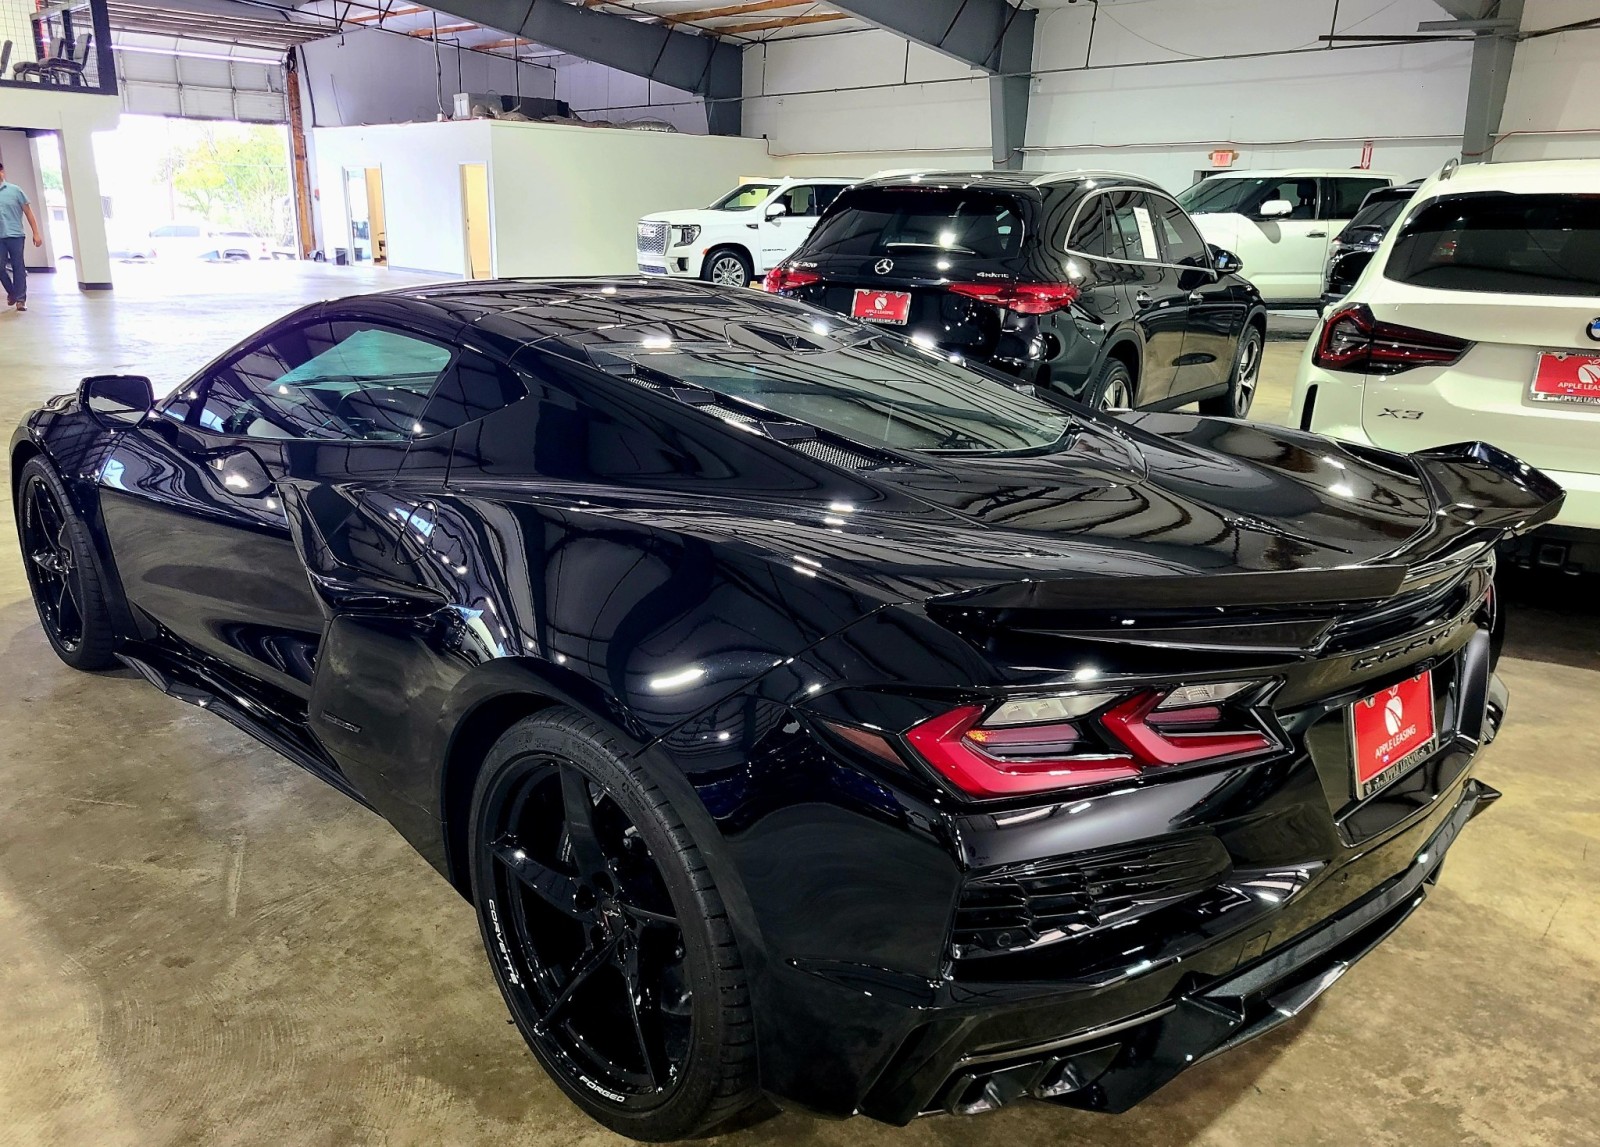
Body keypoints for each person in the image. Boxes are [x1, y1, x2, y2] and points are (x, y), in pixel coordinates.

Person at [0, 160, 44, 313]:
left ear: (2, 172)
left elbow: (28, 212)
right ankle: (12, 292)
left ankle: (20, 299)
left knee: (18, 267)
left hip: (16, 235)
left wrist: (36, 233)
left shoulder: (15, 191)